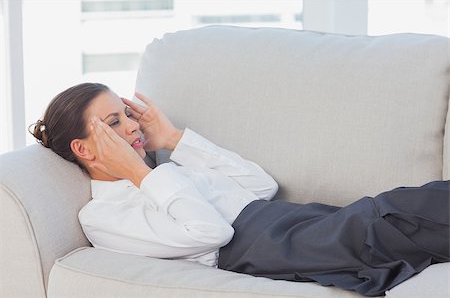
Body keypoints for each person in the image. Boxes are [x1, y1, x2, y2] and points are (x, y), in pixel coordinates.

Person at [30, 83, 449, 297]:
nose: (133, 126)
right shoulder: (105, 214)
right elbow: (213, 234)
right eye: (114, 123)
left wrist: (174, 140)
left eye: (128, 115)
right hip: (261, 244)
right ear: (84, 148)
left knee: (399, 209)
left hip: (288, 218)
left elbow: (262, 186)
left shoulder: (169, 172)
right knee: (389, 220)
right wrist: (141, 175)